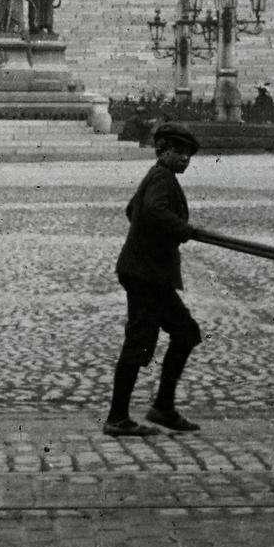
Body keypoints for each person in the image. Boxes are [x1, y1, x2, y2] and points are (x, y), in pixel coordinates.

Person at [105, 121, 206, 437]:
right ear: (163, 151)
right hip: (146, 275)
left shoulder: (158, 175)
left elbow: (132, 209)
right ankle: (118, 418)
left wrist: (158, 235)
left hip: (149, 273)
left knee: (186, 333)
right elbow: (149, 211)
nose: (185, 159)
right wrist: (180, 229)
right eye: (179, 152)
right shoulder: (162, 178)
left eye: (188, 154)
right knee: (140, 342)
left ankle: (163, 407)